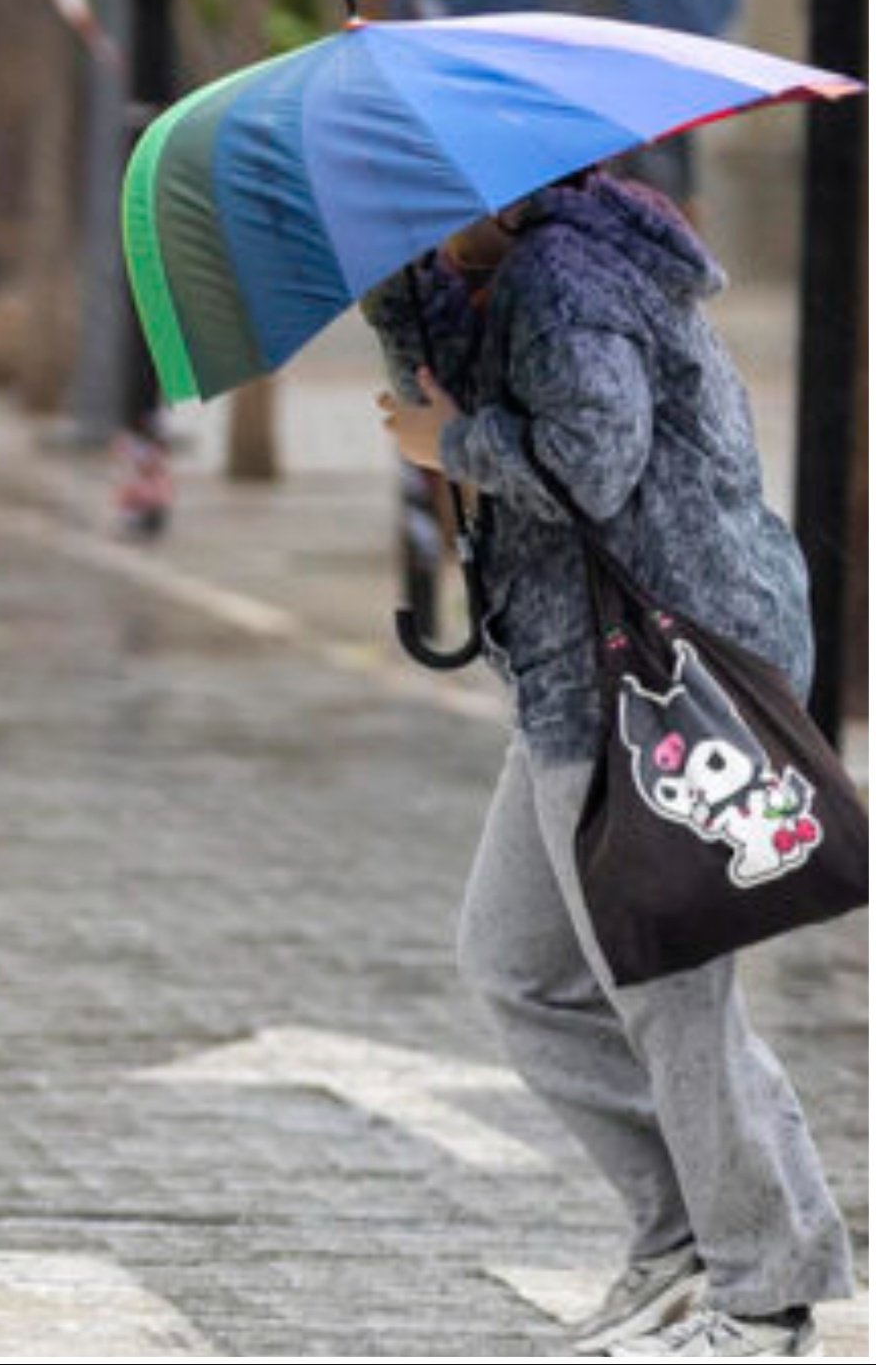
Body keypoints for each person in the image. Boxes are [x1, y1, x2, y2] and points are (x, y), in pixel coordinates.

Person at [362, 168, 854, 1358]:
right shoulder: (514, 270)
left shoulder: (567, 276)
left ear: (502, 189)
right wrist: (397, 300)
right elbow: (473, 393)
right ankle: (687, 1240)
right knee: (518, 964)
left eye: (426, 202)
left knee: (669, 989)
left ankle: (763, 1291)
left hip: (647, 675)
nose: (417, 226)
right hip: (574, 672)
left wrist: (450, 443)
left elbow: (591, 461)